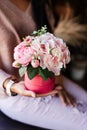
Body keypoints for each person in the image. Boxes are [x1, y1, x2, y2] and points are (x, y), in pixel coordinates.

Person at [0, 0, 87, 130]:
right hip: (13, 91)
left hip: (48, 78)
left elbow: (50, 39)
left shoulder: (41, 3)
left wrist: (56, 74)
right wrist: (11, 85)